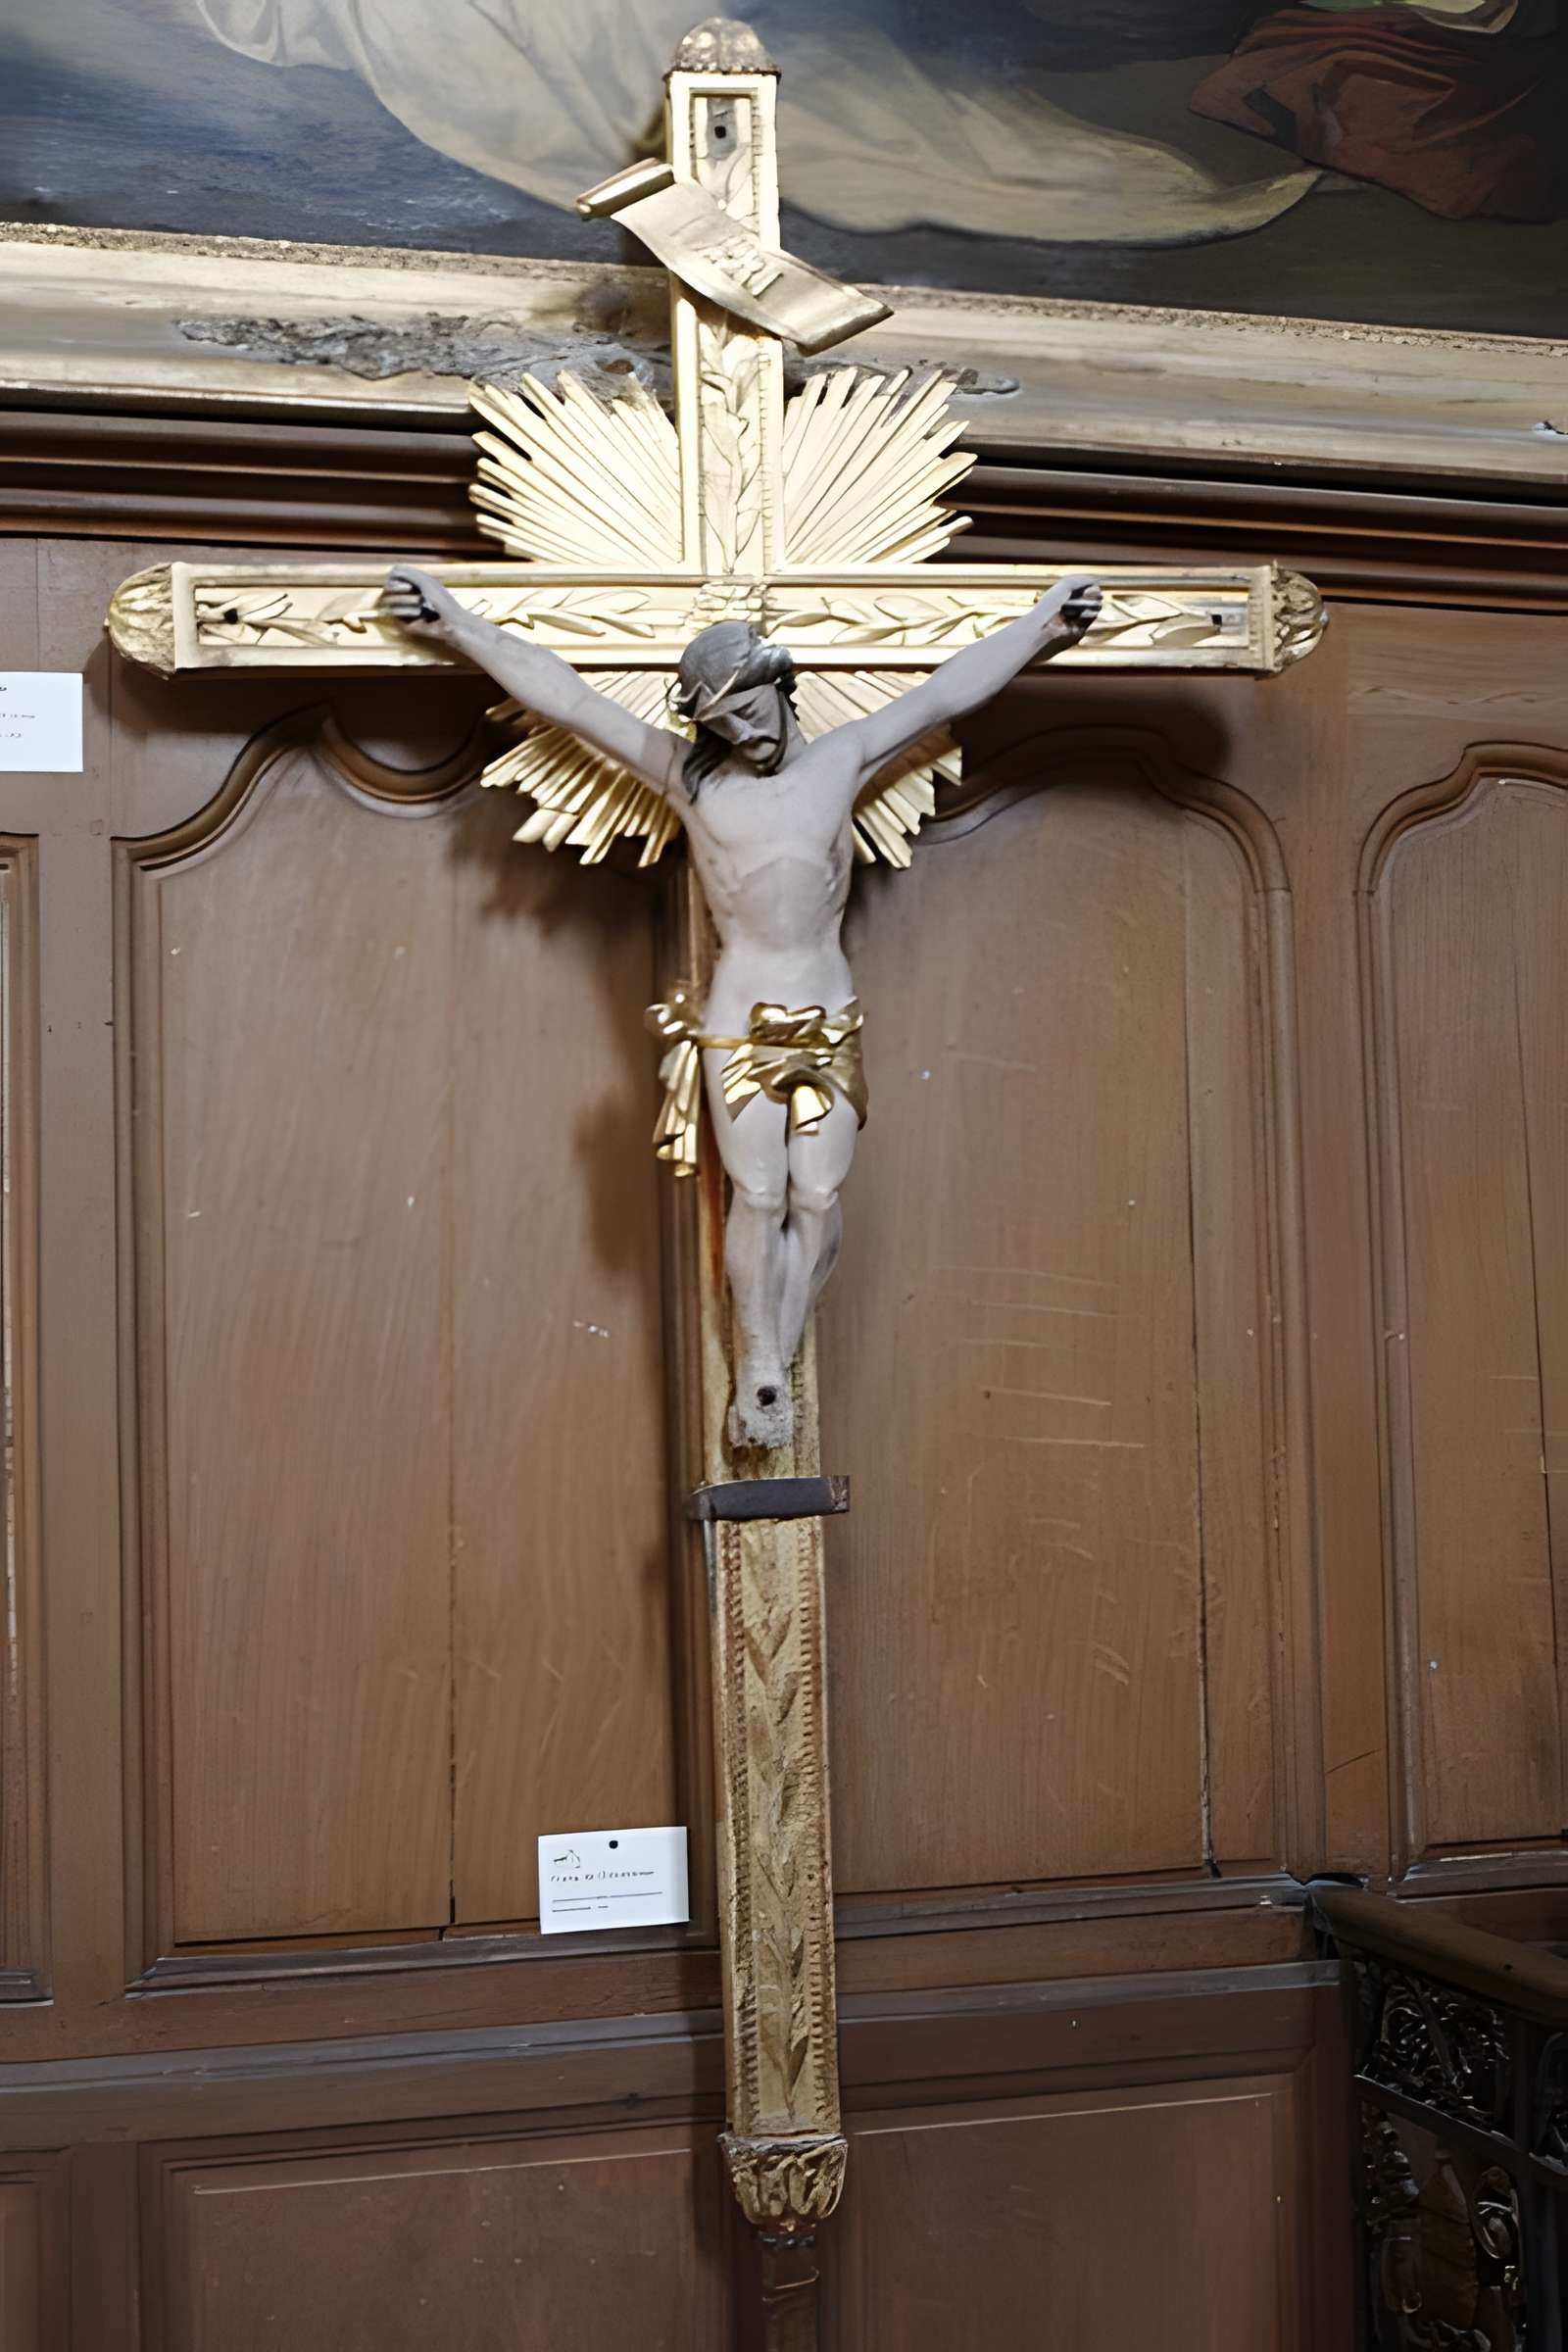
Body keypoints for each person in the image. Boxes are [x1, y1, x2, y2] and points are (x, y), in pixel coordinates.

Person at [380, 563, 1102, 1446]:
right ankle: (761, 1360)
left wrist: (1041, 628)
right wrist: (456, 626)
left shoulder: (841, 759)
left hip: (825, 1007)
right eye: (720, 727)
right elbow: (567, 699)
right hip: (738, 1011)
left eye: (751, 716)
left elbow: (945, 691)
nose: (743, 738)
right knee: (757, 1195)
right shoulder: (693, 781)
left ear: (781, 688)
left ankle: (777, 1350)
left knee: (822, 1190)